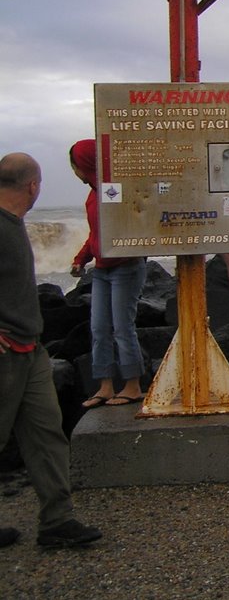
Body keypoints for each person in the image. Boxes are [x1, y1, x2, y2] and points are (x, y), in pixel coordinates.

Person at [0, 152, 102, 548]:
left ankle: (57, 521)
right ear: (33, 186)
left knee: (47, 435)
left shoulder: (14, 223)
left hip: (32, 349)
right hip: (7, 351)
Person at [69, 140, 147, 409]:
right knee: (99, 328)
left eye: (75, 165)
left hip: (127, 267)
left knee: (123, 328)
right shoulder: (92, 193)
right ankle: (104, 386)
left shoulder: (115, 190)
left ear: (85, 163)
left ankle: (133, 385)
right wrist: (81, 260)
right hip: (102, 270)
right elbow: (96, 235)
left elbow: (132, 225)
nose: (74, 171)